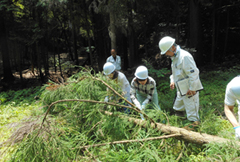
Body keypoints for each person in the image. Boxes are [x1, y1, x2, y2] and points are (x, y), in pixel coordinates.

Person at [159, 36, 203, 124]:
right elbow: (175, 72)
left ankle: (194, 128)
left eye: (167, 52)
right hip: (181, 89)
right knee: (177, 108)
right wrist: (172, 80)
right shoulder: (175, 58)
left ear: (172, 48)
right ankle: (180, 125)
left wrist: (193, 88)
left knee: (192, 113)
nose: (166, 54)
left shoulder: (184, 56)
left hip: (189, 90)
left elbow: (193, 73)